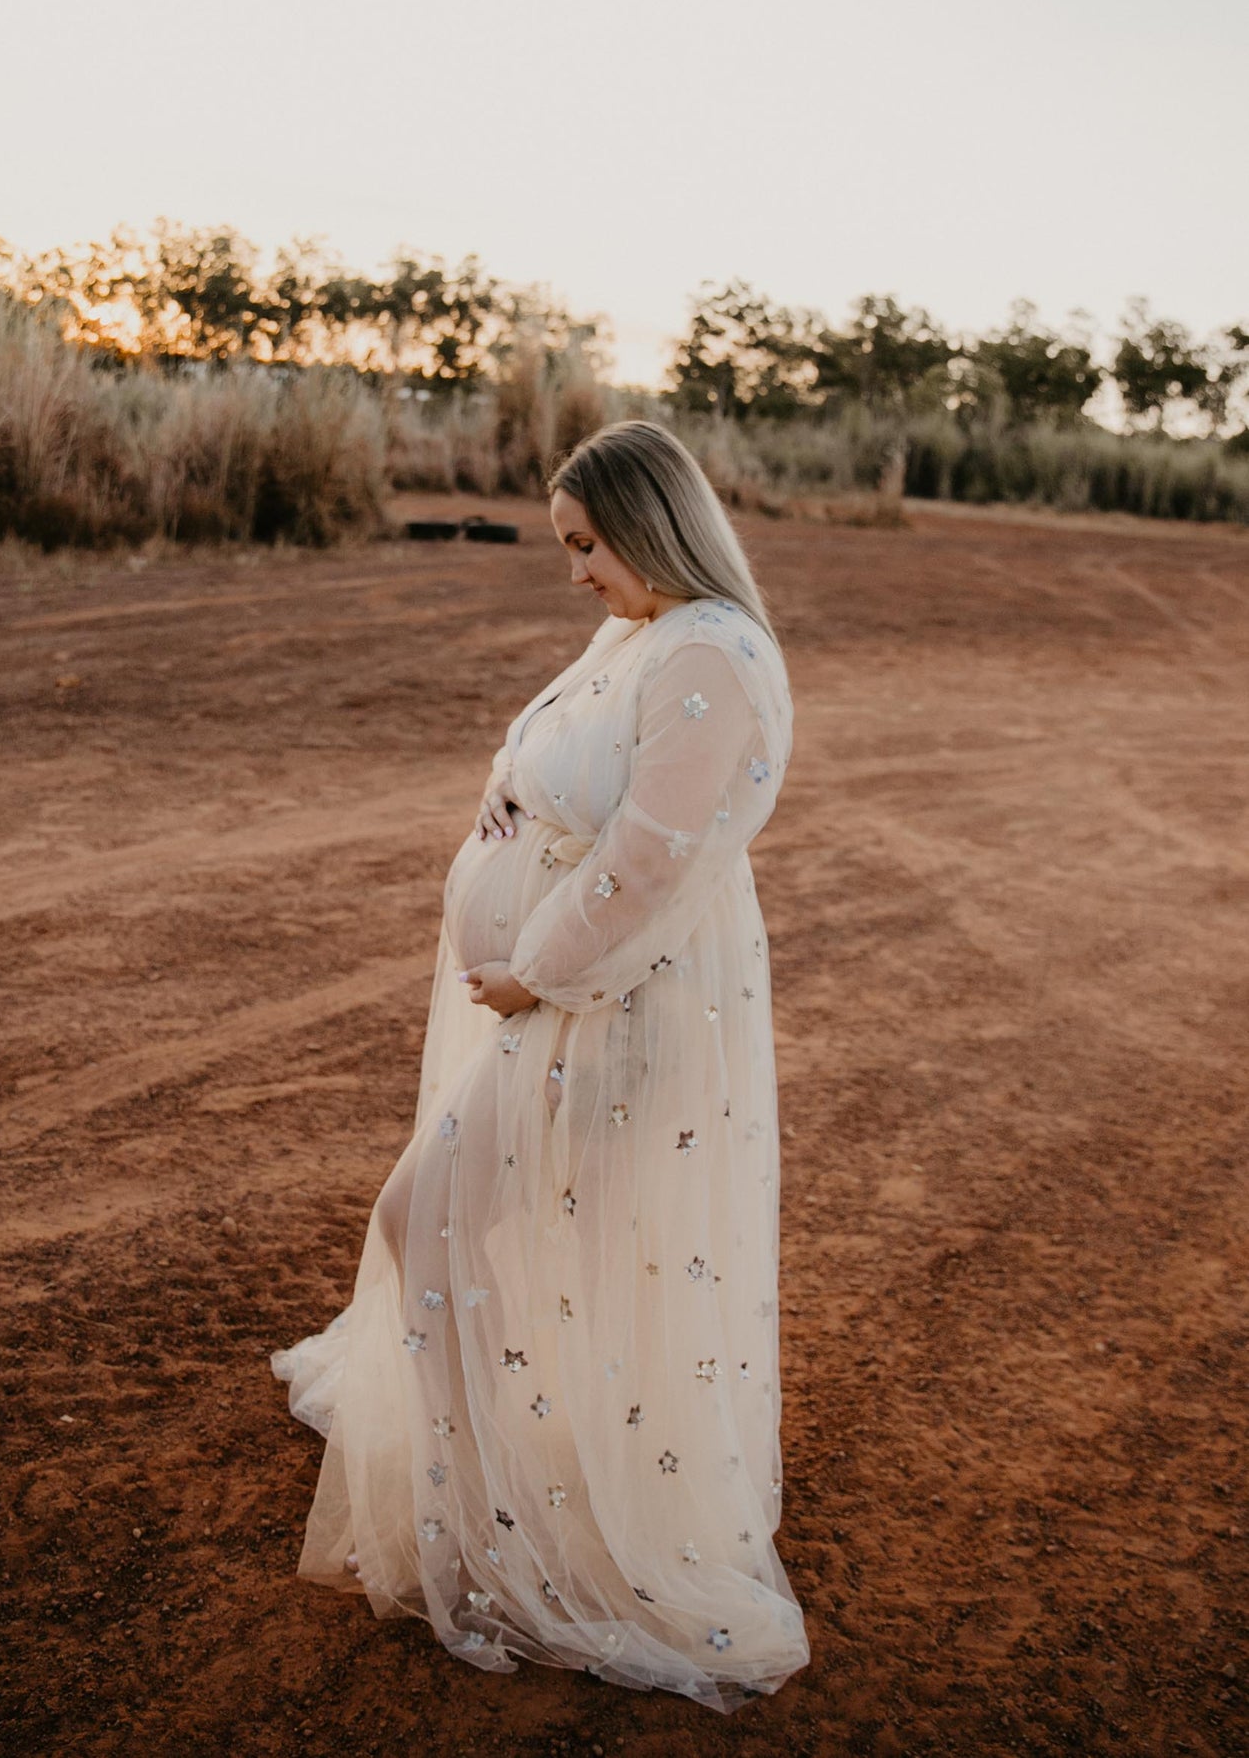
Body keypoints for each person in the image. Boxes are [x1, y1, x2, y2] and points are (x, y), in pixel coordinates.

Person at [271, 419, 811, 1711]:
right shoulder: (644, 634)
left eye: (585, 547)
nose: (574, 573)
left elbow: (649, 860)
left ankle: (507, 1519)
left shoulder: (709, 659)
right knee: (465, 1222)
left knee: (433, 1215)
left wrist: (536, 968)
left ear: (647, 527)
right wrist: (508, 806)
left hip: (611, 1014)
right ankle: (513, 1479)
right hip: (568, 1005)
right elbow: (559, 769)